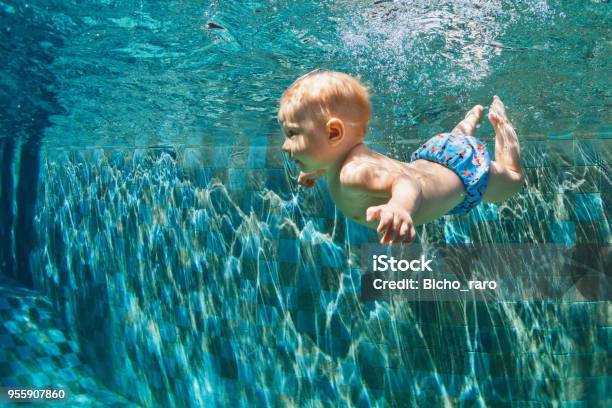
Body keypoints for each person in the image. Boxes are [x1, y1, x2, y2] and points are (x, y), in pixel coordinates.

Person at [278, 70, 524, 244]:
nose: (284, 146)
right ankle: (469, 122)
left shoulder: (355, 171)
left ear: (333, 132)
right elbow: (341, 163)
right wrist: (319, 168)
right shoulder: (342, 162)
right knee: (457, 143)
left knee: (512, 180)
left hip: (466, 174)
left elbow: (407, 183)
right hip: (438, 156)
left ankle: (501, 124)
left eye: (292, 134)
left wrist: (400, 207)